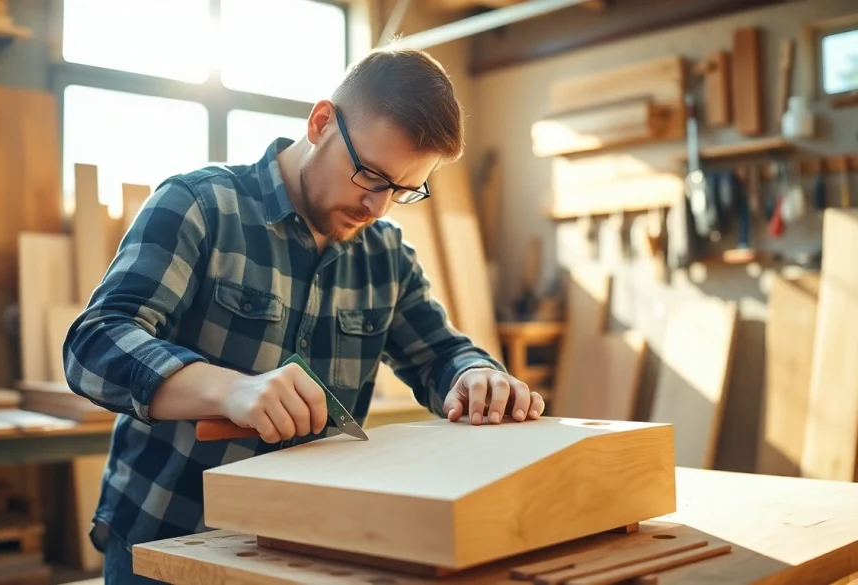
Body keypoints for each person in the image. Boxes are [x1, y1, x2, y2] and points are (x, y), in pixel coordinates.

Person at [62, 45, 545, 584]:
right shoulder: (200, 206)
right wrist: (231, 391)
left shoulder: (385, 254)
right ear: (320, 123)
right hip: (167, 538)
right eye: (371, 176)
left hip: (306, 549)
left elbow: (441, 353)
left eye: (405, 191)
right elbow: (95, 343)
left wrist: (475, 375)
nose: (377, 208)